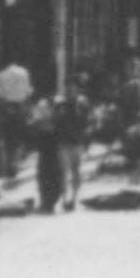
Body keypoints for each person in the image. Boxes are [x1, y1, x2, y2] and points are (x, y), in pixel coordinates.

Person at [54, 82, 91, 211]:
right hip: (64, 143)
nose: (70, 93)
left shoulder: (82, 106)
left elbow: (87, 124)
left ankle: (74, 199)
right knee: (64, 172)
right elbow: (56, 122)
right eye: (68, 91)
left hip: (77, 142)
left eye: (73, 90)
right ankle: (64, 199)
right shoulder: (59, 106)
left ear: (77, 92)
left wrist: (86, 143)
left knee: (76, 171)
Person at [28, 93, 63, 213]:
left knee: (54, 178)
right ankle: (45, 203)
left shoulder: (56, 120)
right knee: (43, 178)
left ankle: (51, 203)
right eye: (40, 108)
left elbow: (59, 133)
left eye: (44, 108)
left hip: (54, 154)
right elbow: (30, 135)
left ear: (50, 109)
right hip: (43, 154)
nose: (42, 110)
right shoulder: (36, 123)